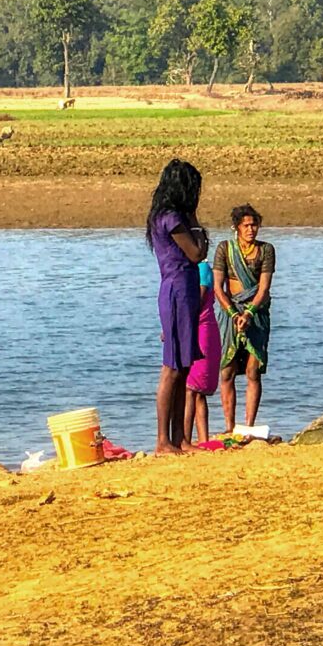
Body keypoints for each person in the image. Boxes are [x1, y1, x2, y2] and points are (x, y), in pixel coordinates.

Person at [146, 159, 209, 454]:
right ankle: (163, 441)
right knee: (172, 367)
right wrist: (196, 222)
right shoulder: (170, 218)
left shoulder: (169, 216)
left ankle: (180, 438)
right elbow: (196, 253)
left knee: (184, 366)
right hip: (177, 290)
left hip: (184, 289)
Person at [214, 205, 275, 433]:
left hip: (256, 313)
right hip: (230, 312)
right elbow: (218, 288)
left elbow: (264, 288)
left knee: (253, 370)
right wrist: (233, 313)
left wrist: (249, 312)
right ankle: (229, 427)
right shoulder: (224, 249)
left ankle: (248, 426)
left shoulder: (266, 250)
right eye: (246, 225)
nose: (251, 230)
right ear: (237, 227)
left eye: (254, 225)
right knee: (227, 370)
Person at [184, 258, 222, 444]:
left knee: (192, 388)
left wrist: (176, 326)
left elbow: (196, 302)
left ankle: (184, 438)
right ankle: (201, 439)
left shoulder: (202, 268)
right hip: (193, 329)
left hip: (202, 331)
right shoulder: (188, 269)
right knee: (194, 390)